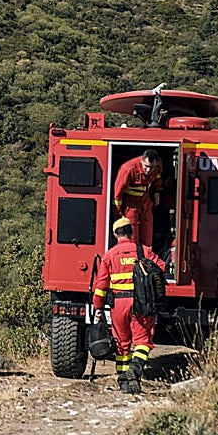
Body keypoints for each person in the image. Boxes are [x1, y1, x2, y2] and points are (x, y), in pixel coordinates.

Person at [92, 217, 167, 393]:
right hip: (141, 303)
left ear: (115, 234)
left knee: (122, 345)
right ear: (131, 232)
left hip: (118, 305)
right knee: (142, 342)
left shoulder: (109, 255)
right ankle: (136, 367)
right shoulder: (144, 251)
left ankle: (124, 382)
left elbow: (101, 286)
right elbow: (162, 268)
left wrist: (98, 308)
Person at [113, 149, 162, 246]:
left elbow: (157, 177)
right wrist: (119, 214)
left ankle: (146, 259)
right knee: (132, 239)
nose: (148, 170)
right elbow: (117, 195)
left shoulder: (158, 165)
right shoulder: (128, 169)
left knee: (147, 238)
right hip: (131, 204)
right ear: (142, 161)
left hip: (146, 202)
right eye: (146, 166)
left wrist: (157, 191)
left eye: (152, 167)